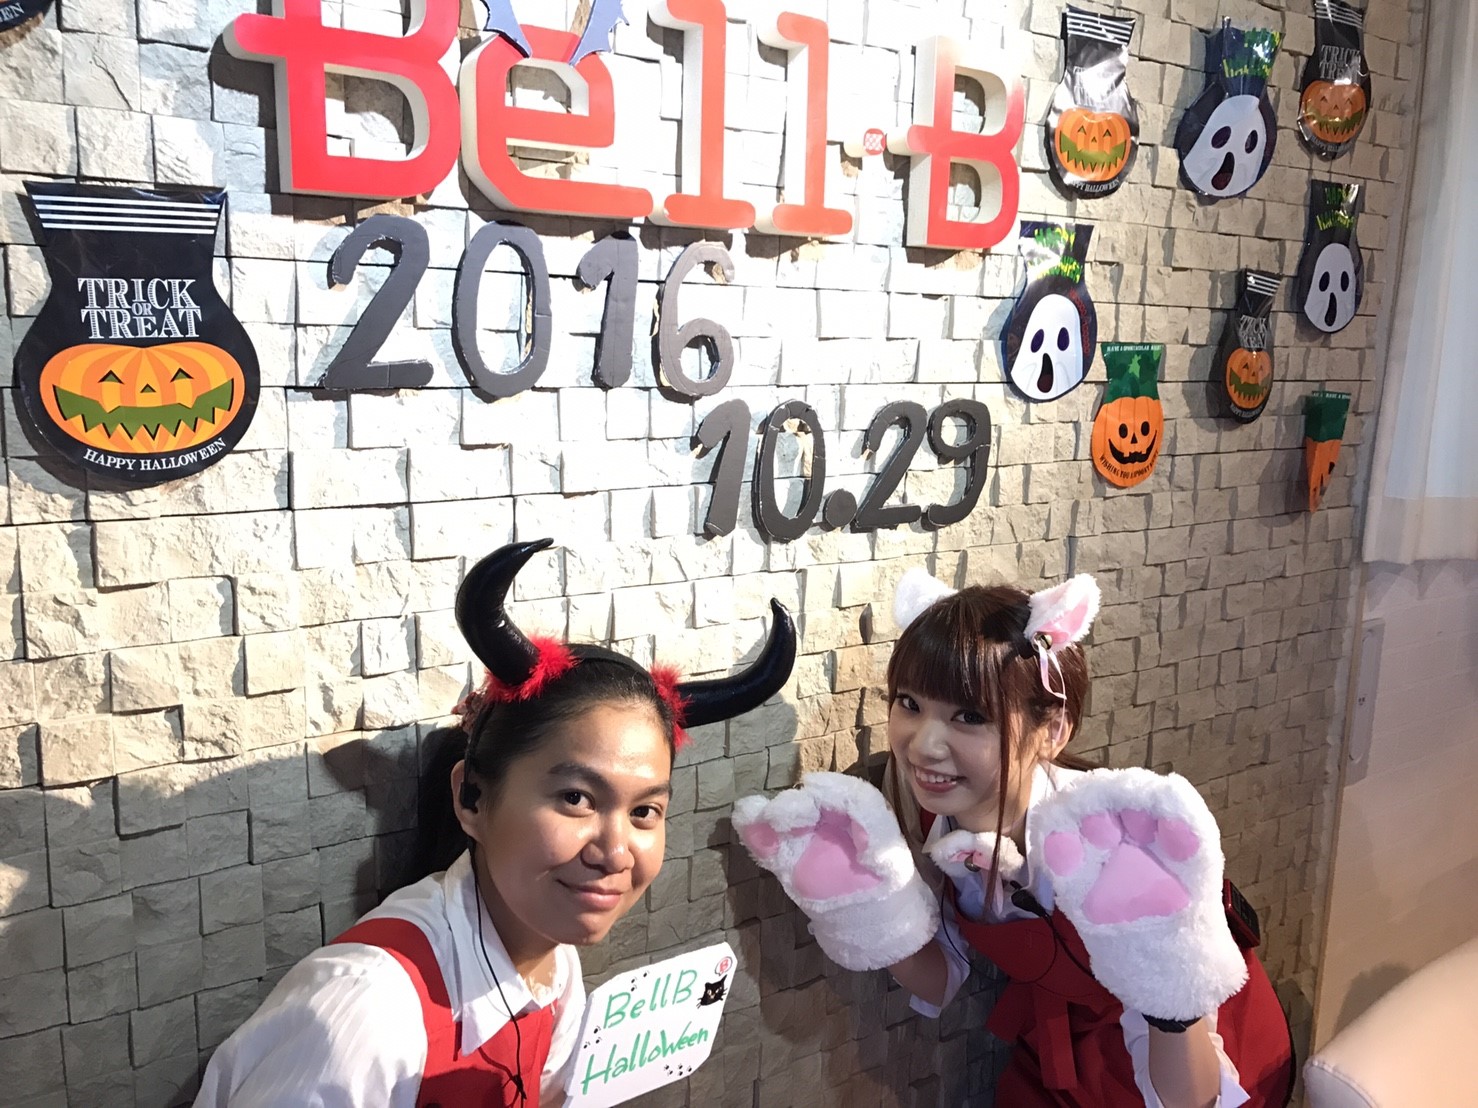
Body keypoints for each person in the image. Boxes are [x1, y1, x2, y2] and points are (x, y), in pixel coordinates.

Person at [197, 539, 796, 1108]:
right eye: (576, 798)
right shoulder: (367, 1013)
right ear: (473, 798)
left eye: (644, 811)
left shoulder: (551, 961)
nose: (615, 851)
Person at [733, 569, 1293, 1108]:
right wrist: (869, 911)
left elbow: (1193, 1099)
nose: (923, 744)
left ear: (1052, 730)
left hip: (1199, 1056)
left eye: (969, 716)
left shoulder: (1115, 844)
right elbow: (938, 979)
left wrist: (1170, 990)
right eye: (909, 703)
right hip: (1059, 1055)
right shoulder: (926, 817)